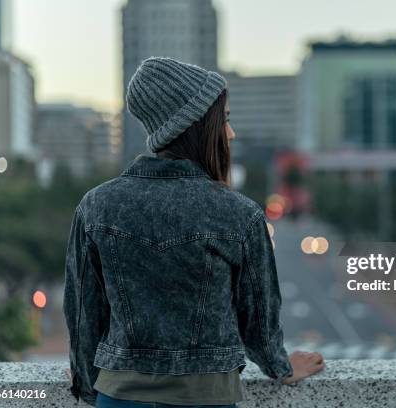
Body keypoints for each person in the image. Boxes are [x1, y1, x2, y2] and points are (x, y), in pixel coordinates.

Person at [63, 57, 325, 408]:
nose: (230, 133)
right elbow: (258, 318)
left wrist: (84, 378)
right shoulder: (238, 213)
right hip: (206, 399)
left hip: (119, 397)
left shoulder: (96, 206)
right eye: (225, 121)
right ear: (198, 125)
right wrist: (280, 366)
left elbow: (83, 313)